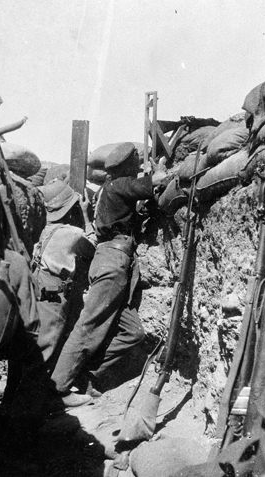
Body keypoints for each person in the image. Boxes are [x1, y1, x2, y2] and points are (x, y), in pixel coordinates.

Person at [50, 142, 168, 403]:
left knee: (132, 333)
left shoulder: (107, 190)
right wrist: (161, 171)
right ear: (128, 166)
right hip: (113, 261)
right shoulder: (120, 185)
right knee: (89, 326)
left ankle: (87, 376)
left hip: (112, 260)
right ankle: (56, 389)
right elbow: (157, 181)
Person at [26, 180, 98, 407]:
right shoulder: (71, 233)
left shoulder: (45, 229)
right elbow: (93, 246)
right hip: (54, 298)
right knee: (45, 351)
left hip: (39, 293)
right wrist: (87, 217)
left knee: (36, 348)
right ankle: (35, 408)